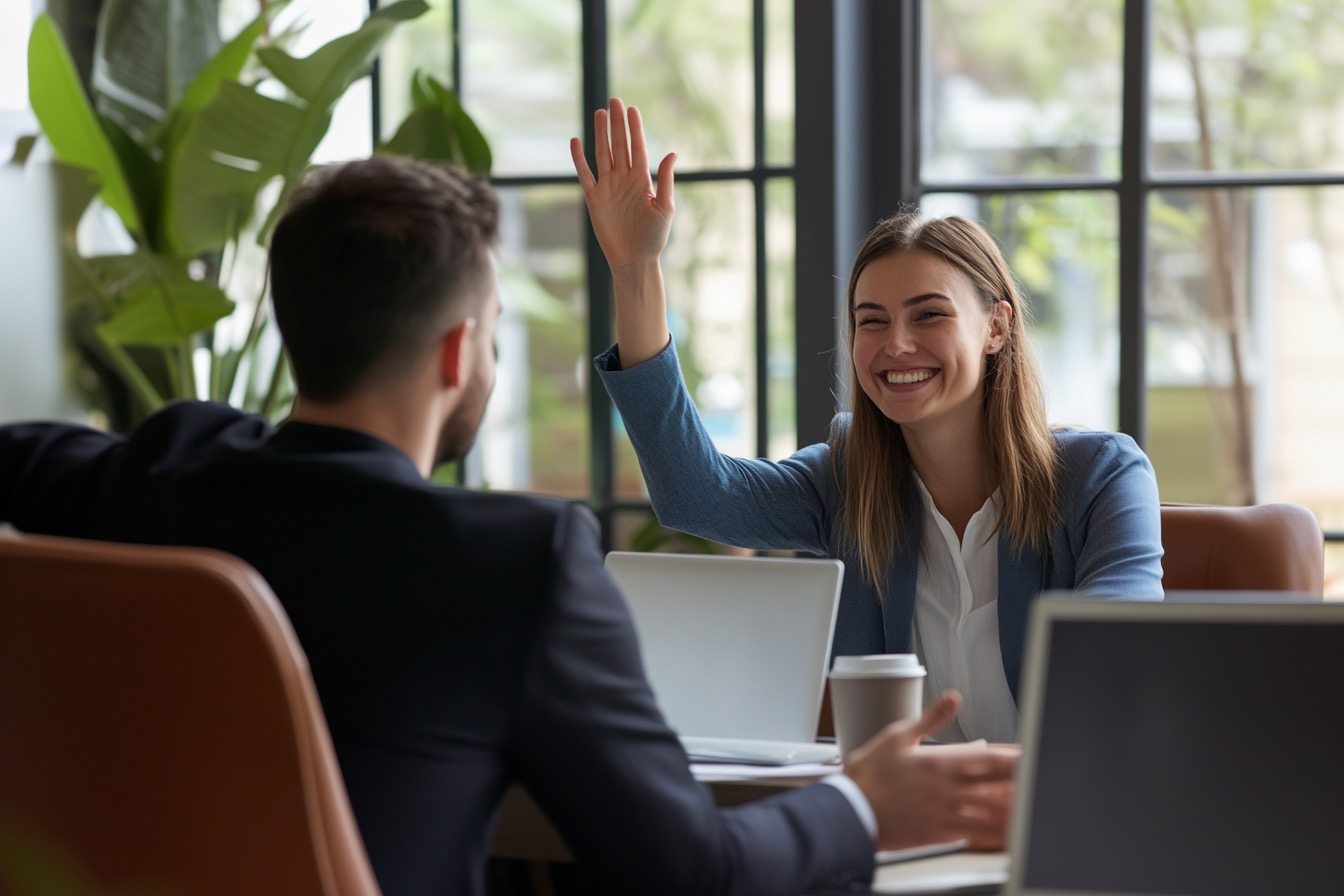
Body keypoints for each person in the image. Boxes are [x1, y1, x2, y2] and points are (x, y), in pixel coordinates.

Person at [0, 154, 1017, 896]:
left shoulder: (152, 471)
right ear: (457, 354)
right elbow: (691, 871)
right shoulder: (510, 563)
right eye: (493, 332)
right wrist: (863, 803)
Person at [572, 98, 1164, 746]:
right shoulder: (845, 481)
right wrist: (636, 270)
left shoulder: (1102, 476)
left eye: (929, 315)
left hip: (1055, 817)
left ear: (996, 326)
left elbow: (1121, 657)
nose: (896, 344)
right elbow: (695, 494)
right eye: (871, 320)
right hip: (908, 824)